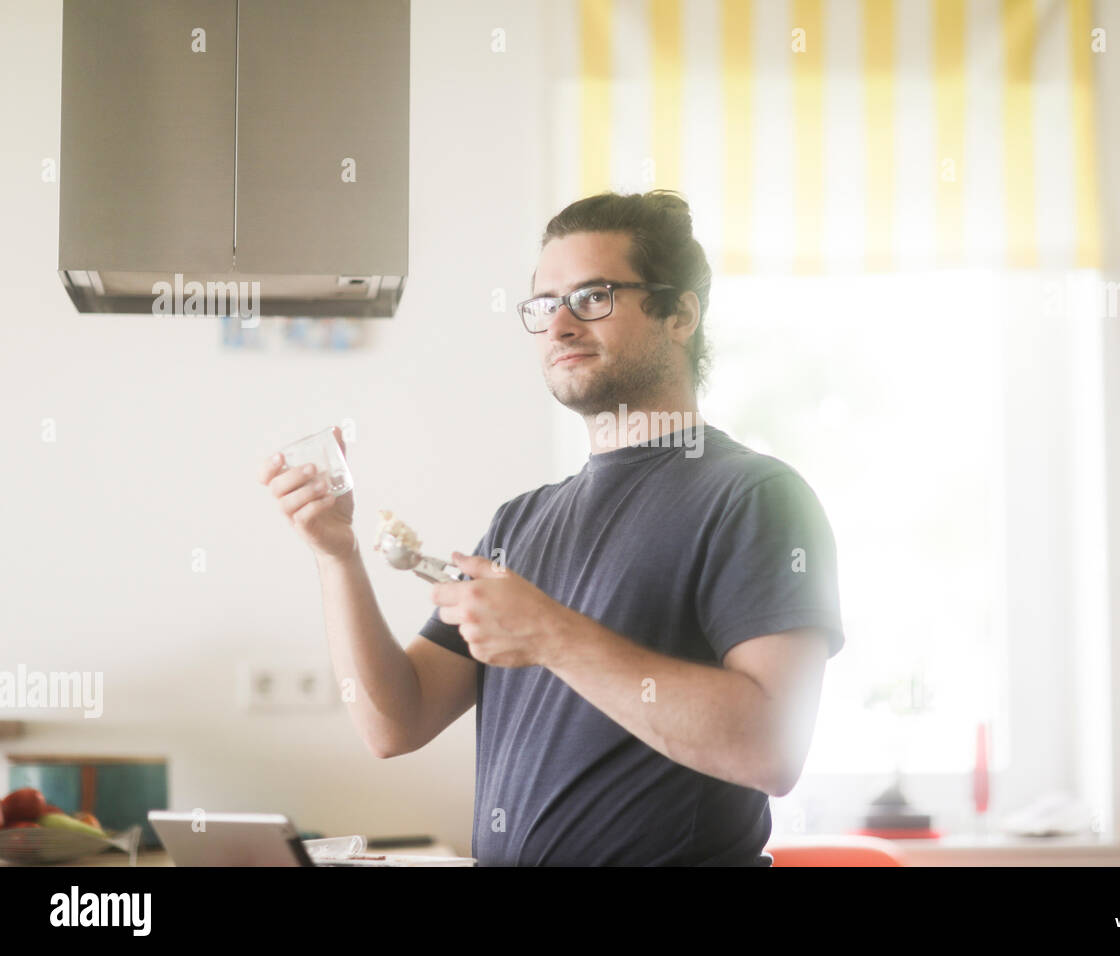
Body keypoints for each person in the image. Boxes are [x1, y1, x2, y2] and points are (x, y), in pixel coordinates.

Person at [258, 190, 844, 865]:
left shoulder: (755, 498)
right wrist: (338, 557)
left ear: (680, 313)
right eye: (544, 305)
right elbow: (395, 722)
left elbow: (771, 750)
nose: (559, 326)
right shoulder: (522, 520)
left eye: (593, 296)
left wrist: (550, 633)